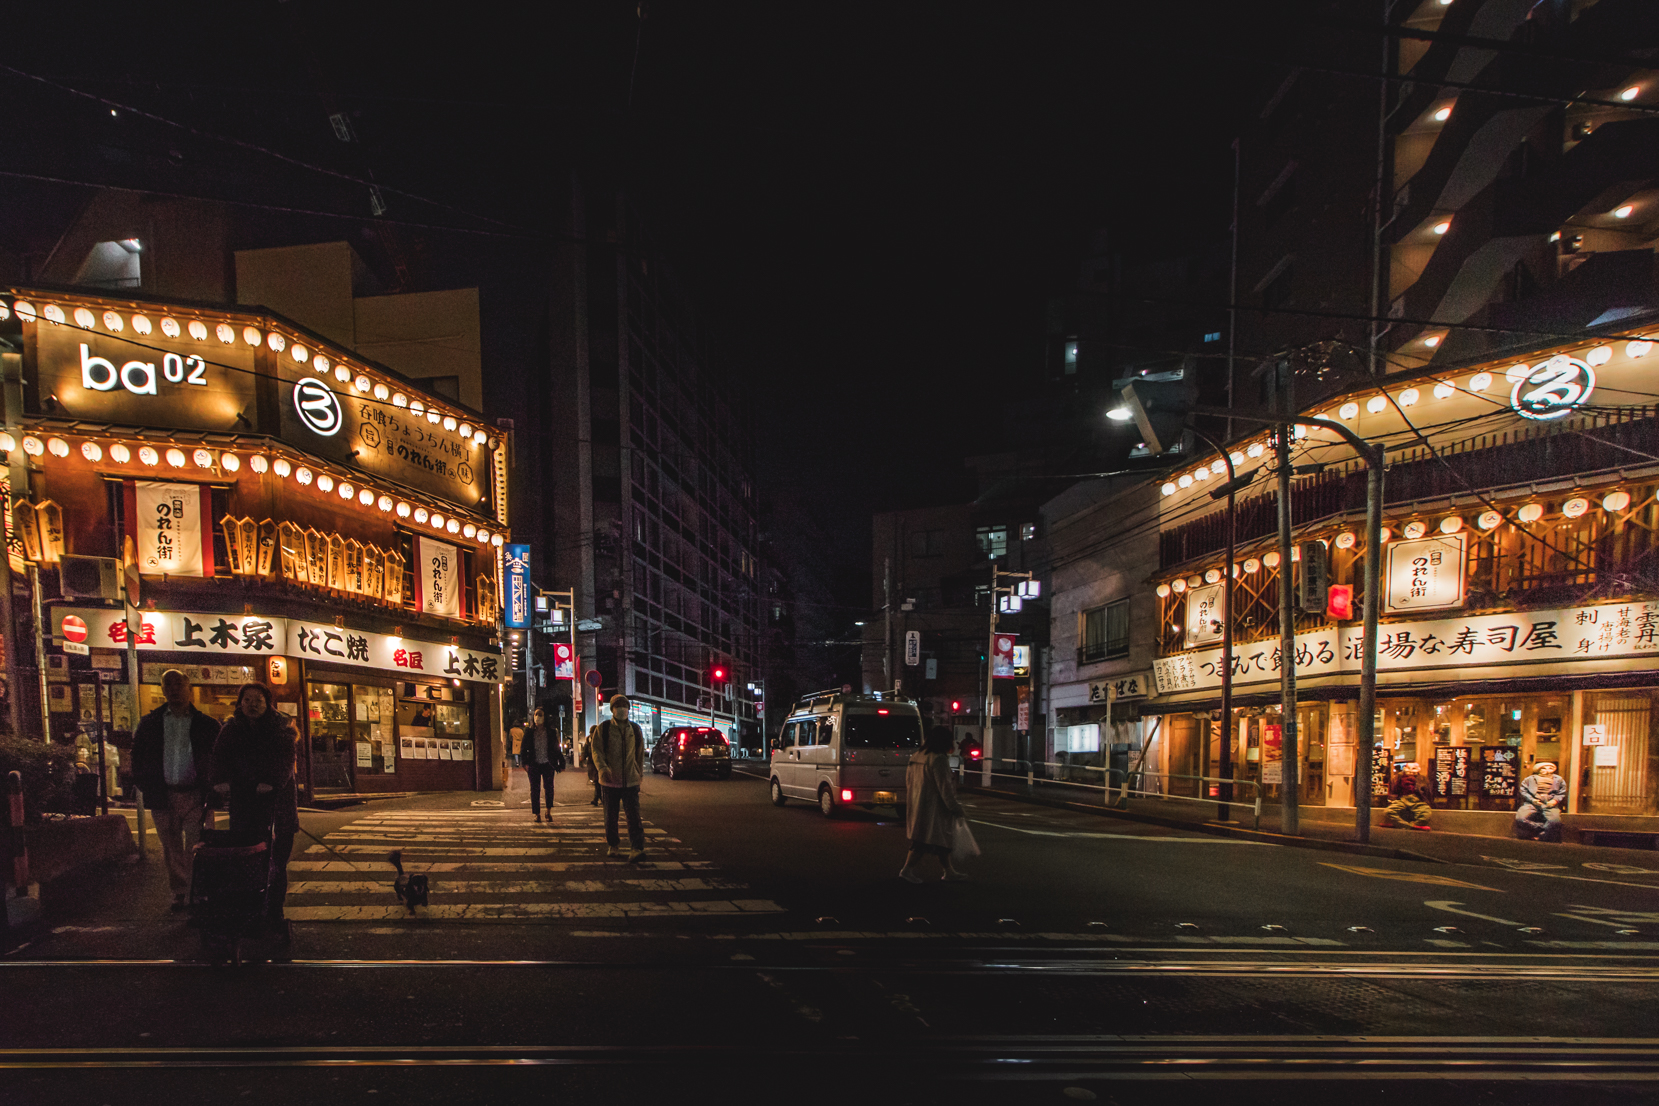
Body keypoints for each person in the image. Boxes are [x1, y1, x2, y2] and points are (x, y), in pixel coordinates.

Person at [130, 669, 221, 911]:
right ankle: (180, 891)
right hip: (163, 794)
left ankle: (196, 891)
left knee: (198, 847)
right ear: (162, 689)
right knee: (170, 847)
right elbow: (137, 756)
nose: (173, 689)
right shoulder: (150, 724)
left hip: (196, 794)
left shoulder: (207, 724)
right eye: (167, 684)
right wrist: (144, 784)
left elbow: (220, 759)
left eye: (178, 684)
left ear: (188, 687)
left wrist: (215, 791)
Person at [211, 684, 299, 926]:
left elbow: (285, 762)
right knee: (244, 856)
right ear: (240, 703)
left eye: (258, 700)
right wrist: (219, 781)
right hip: (244, 803)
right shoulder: (230, 729)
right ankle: (247, 908)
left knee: (276, 862)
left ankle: (274, 911)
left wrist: (271, 782)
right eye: (247, 700)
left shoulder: (282, 729)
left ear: (268, 703)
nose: (252, 705)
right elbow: (219, 758)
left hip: (278, 805)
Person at [901, 725, 968, 883]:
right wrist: (955, 808)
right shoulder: (938, 759)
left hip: (917, 802)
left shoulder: (916, 756)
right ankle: (906, 870)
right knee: (924, 841)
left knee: (939, 841)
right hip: (934, 808)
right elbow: (945, 788)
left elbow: (908, 781)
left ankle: (949, 870)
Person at [588, 694, 647, 862]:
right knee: (610, 816)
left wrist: (639, 773)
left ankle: (637, 848)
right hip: (609, 781)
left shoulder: (635, 729)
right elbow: (596, 751)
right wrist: (603, 768)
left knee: (634, 816)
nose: (622, 709)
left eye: (624, 706)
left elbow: (639, 754)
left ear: (628, 709)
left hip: (630, 780)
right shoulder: (604, 728)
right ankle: (613, 845)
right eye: (618, 706)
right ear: (612, 709)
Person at [522, 707, 566, 822]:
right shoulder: (529, 732)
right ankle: (537, 814)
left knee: (549, 788)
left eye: (540, 715)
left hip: (548, 764)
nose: (538, 717)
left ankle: (548, 811)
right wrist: (525, 763)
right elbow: (524, 748)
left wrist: (561, 762)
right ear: (533, 717)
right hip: (534, 764)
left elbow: (556, 748)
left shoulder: (550, 732)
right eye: (537, 715)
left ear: (544, 717)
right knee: (535, 790)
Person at [1515, 760, 1567, 841]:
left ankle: (1543, 835)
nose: (1546, 771)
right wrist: (1532, 800)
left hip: (1550, 804)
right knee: (1520, 818)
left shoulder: (1559, 780)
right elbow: (1523, 791)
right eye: (1543, 769)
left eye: (1549, 768)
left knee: (1554, 822)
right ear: (1538, 770)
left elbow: (1562, 792)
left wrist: (1555, 801)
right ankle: (1541, 827)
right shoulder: (1529, 779)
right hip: (1532, 803)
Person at [579, 725, 602, 806]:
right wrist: (582, 758)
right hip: (592, 763)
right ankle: (601, 798)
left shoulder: (601, 739)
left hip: (599, 763)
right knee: (597, 782)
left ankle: (596, 799)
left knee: (597, 781)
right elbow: (585, 751)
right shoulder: (588, 741)